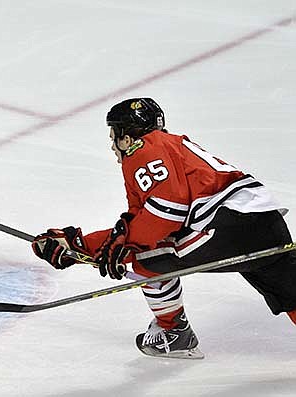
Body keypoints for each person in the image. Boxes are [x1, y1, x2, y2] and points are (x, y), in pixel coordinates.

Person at [31, 97, 296, 359]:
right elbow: (140, 222)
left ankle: (175, 332)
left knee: (148, 258)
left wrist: (124, 248)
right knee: (290, 290)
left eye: (114, 136)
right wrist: (79, 245)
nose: (112, 144)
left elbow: (167, 211)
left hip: (229, 224)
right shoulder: (168, 147)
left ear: (127, 137)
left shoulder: (143, 149)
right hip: (266, 223)